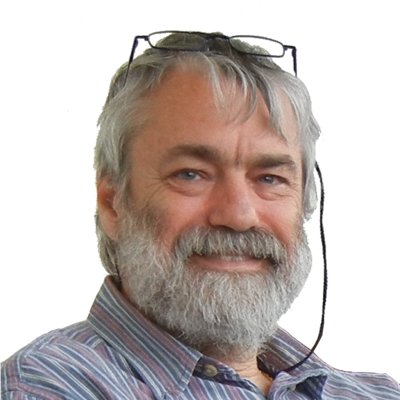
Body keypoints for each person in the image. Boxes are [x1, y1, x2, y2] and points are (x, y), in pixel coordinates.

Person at [2, 30, 399, 399]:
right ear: (112, 204)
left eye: (270, 178)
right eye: (191, 174)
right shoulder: (49, 383)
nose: (239, 215)